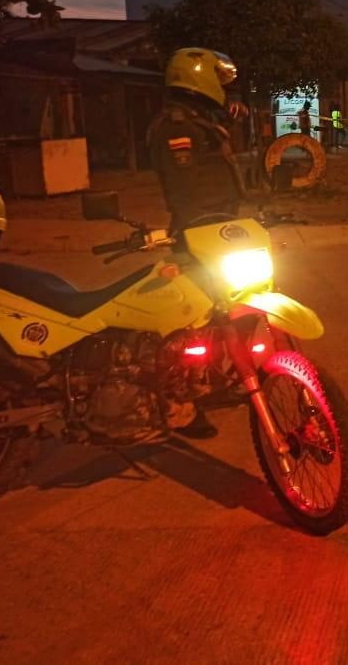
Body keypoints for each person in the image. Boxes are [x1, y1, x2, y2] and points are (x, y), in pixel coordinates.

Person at [147, 47, 249, 439]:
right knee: (190, 323)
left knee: (233, 308)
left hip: (221, 233)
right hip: (196, 235)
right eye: (221, 81)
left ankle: (211, 381)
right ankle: (178, 403)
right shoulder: (177, 129)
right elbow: (186, 190)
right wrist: (202, 227)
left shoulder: (200, 121)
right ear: (199, 77)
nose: (228, 91)